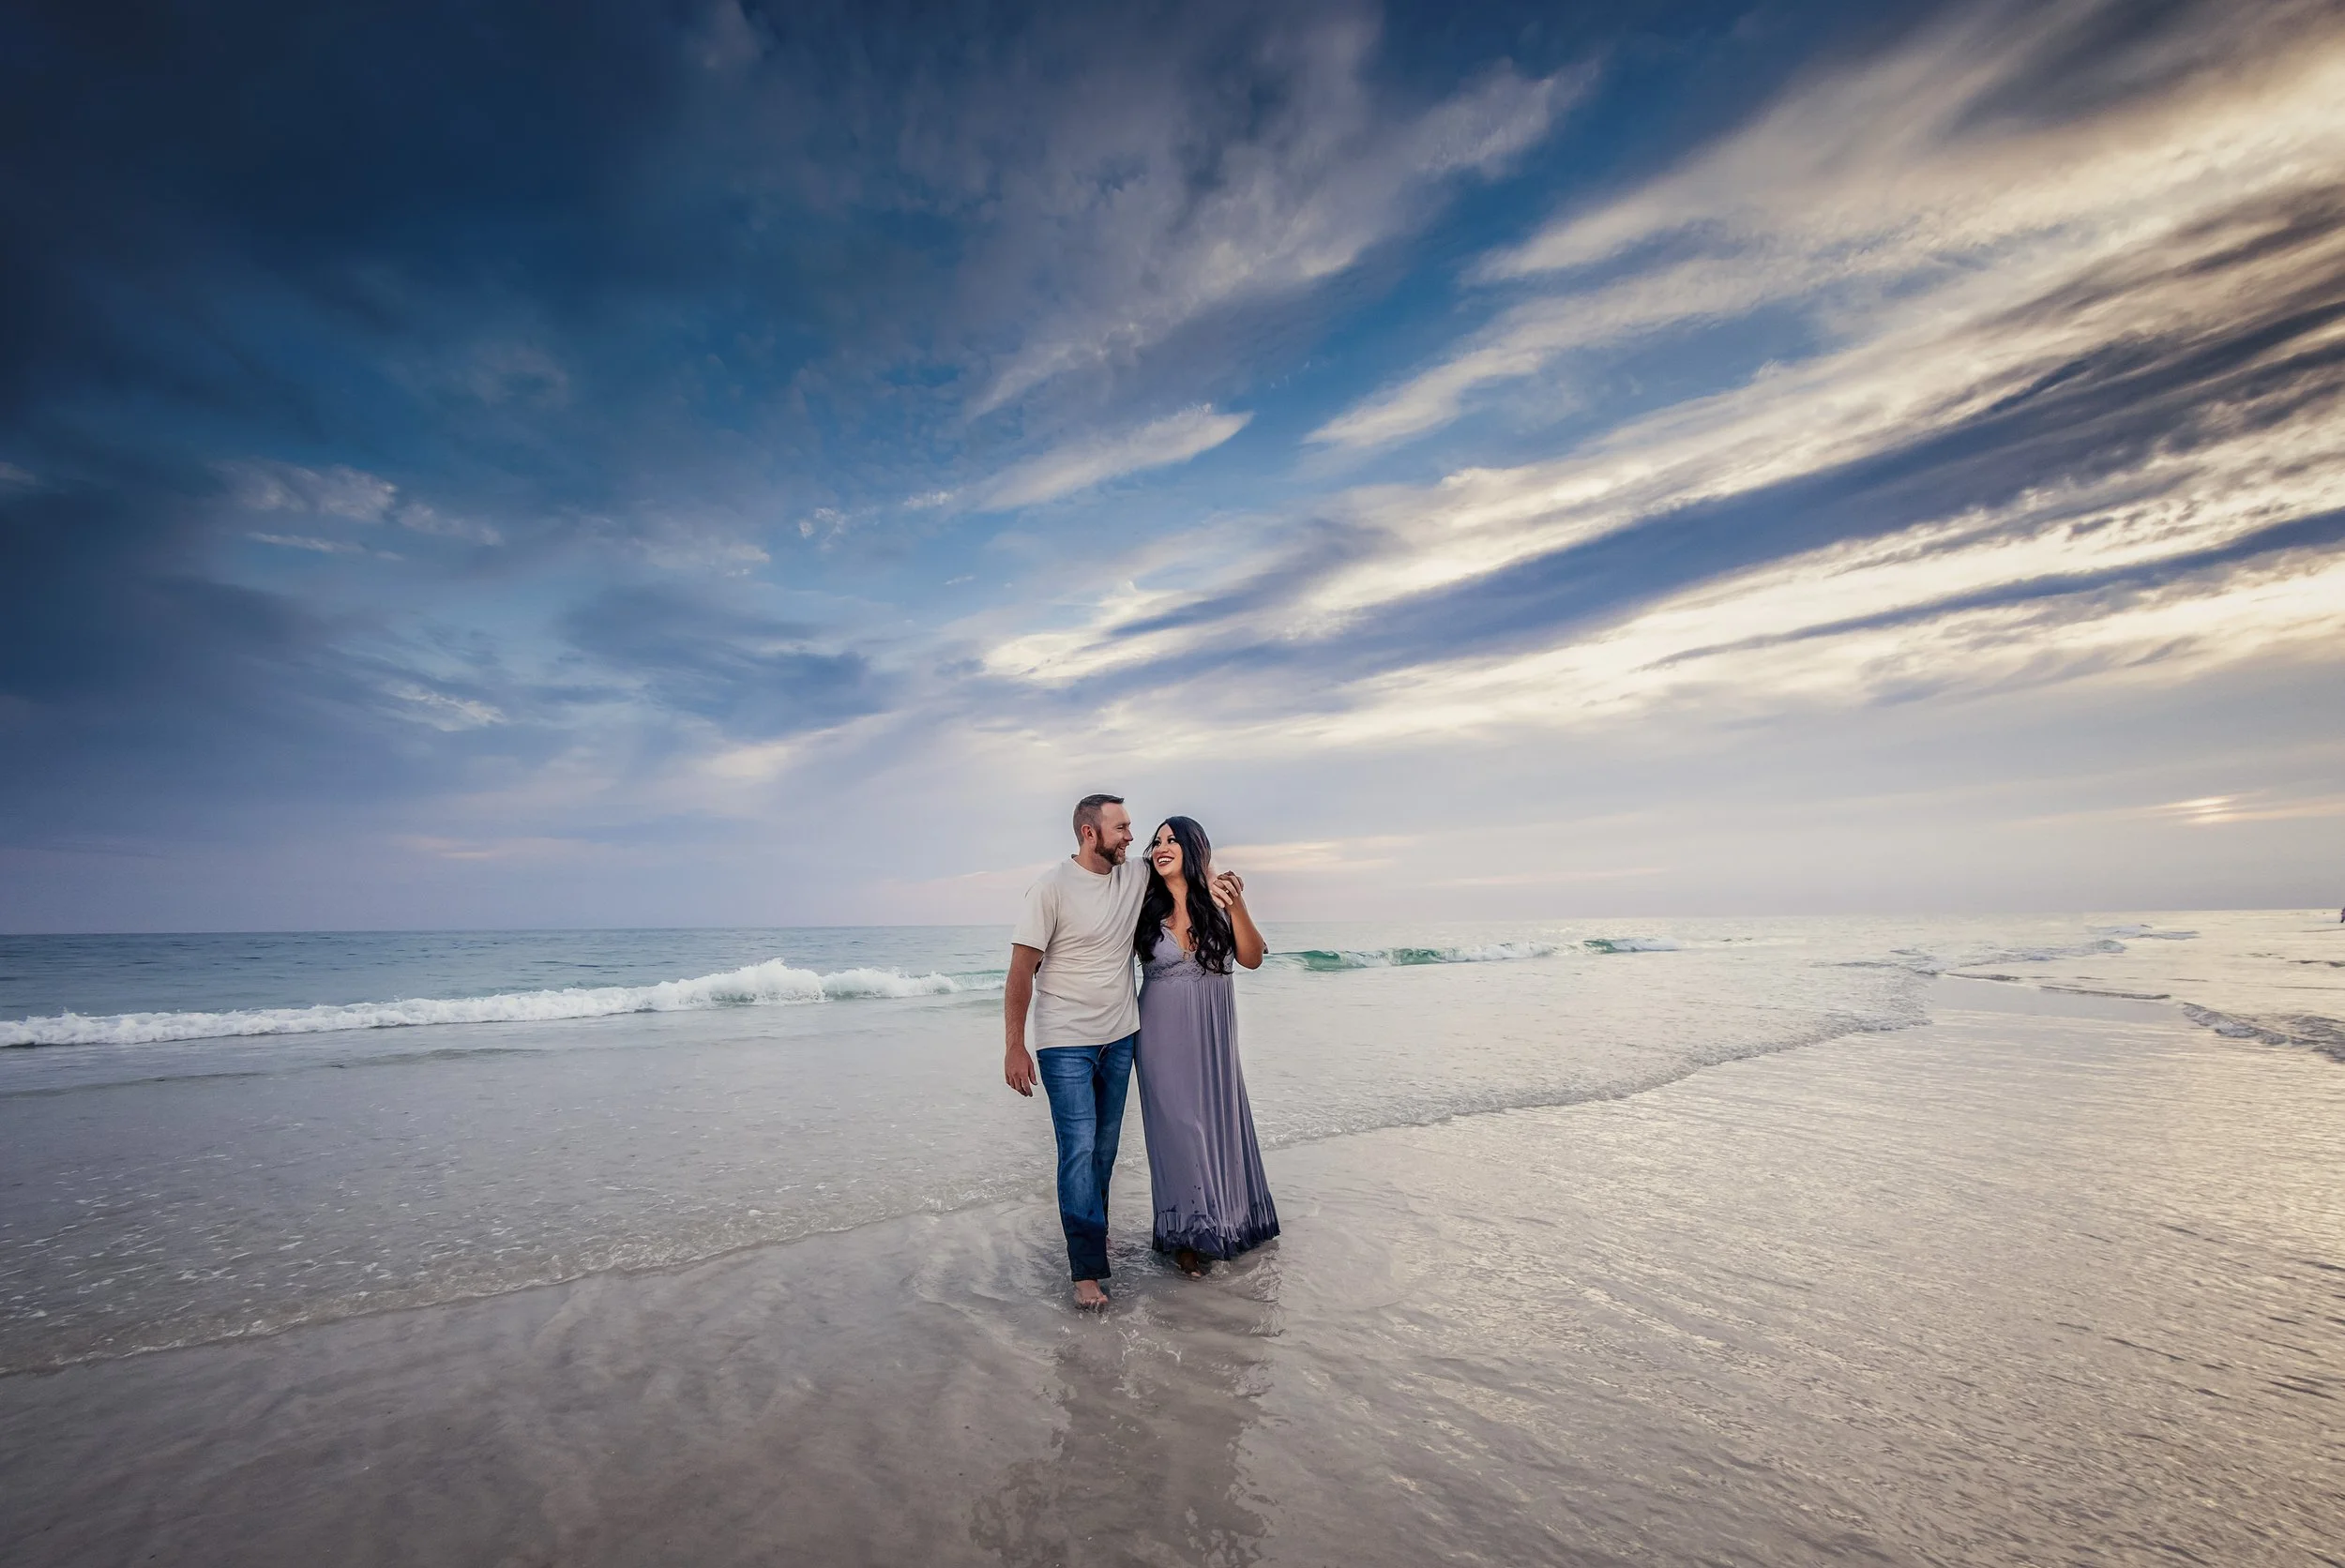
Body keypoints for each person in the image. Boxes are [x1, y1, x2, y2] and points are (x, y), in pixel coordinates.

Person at [1004, 793, 1148, 1309]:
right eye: (1122, 828)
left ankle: (1094, 1234)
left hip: (1121, 1036)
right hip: (1065, 1040)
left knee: (1105, 1150)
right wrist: (1014, 1047)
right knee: (1079, 1149)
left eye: (1131, 826)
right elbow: (1021, 972)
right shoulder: (1050, 889)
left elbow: (1182, 864)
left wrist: (1223, 881)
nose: (1132, 836)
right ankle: (1086, 1272)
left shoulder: (1133, 875)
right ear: (1090, 834)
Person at [1132, 816, 1278, 1278]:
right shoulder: (1142, 906)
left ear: (1195, 848)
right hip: (1158, 1036)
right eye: (1156, 842)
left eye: (1172, 839)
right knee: (1178, 1130)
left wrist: (1236, 906)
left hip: (1213, 1037)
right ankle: (1187, 1238)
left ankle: (1228, 1221)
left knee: (1218, 1123)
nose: (1161, 847)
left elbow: (1252, 957)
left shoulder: (1219, 901)